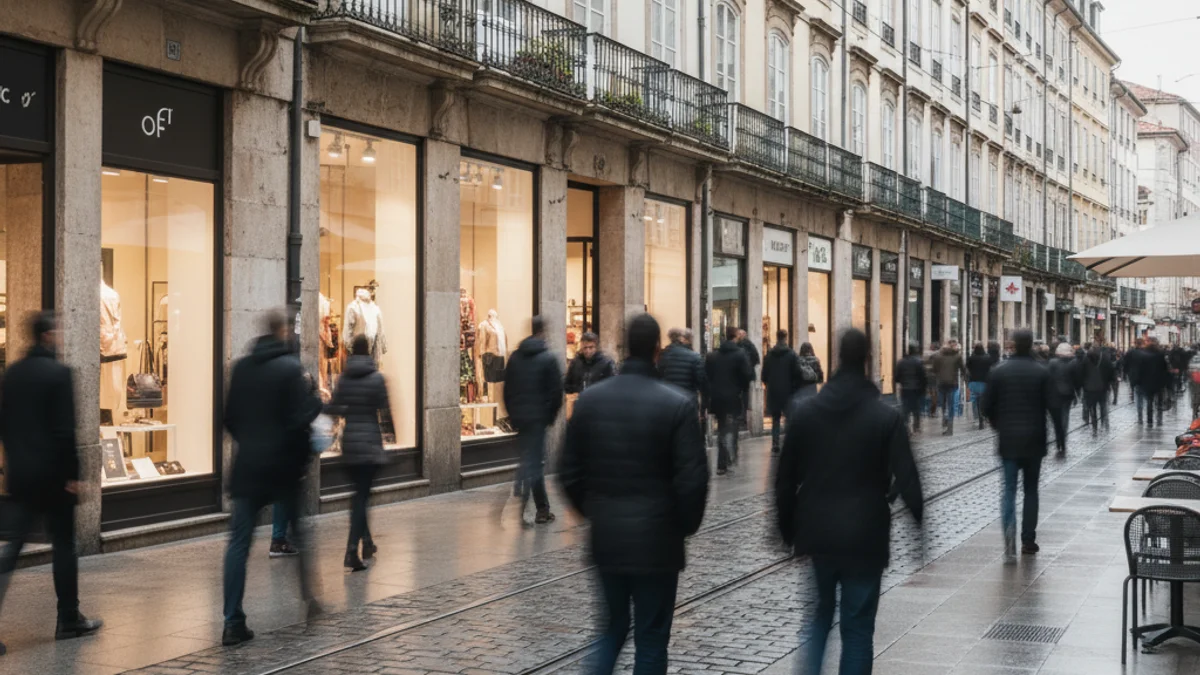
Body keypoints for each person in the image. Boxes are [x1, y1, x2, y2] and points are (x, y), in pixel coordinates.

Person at [560, 313, 709, 675]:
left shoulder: (591, 401)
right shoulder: (678, 404)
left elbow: (568, 471)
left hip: (608, 538)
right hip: (659, 541)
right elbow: (693, 480)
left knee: (612, 628)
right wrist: (682, 527)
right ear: (657, 350)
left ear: (625, 347)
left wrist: (594, 511)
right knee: (652, 637)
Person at [775, 329, 924, 675]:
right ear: (867, 359)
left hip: (818, 532)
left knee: (819, 618)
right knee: (857, 628)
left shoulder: (807, 412)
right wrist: (919, 528)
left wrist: (786, 530)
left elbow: (784, 479)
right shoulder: (885, 416)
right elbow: (908, 475)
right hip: (866, 534)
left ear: (837, 357)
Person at [0, 312, 102, 654]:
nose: (61, 335)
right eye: (57, 330)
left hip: (21, 475)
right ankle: (68, 619)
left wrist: (14, 461)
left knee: (12, 549)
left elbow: (4, 425)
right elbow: (64, 433)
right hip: (54, 477)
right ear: (47, 335)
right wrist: (73, 476)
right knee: (64, 546)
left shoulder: (12, 374)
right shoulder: (59, 374)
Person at [222, 310, 323, 646]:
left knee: (238, 544)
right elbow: (300, 418)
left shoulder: (241, 368)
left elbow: (229, 418)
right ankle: (310, 601)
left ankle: (232, 621)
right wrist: (314, 404)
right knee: (299, 534)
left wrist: (251, 442)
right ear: (283, 332)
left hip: (248, 466)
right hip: (283, 468)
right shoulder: (291, 368)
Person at [981, 330, 1059, 557]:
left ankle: (1009, 534)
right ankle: (1028, 539)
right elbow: (1054, 408)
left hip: (1008, 441)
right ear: (1031, 344)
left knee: (1009, 490)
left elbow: (985, 407)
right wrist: (1061, 441)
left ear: (1014, 345)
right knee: (1031, 491)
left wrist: (997, 423)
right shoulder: (1042, 371)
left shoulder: (998, 371)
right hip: (1035, 440)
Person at [324, 334, 390, 571]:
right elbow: (385, 411)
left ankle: (368, 542)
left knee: (360, 496)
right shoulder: (377, 378)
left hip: (350, 443)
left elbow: (335, 408)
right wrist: (390, 436)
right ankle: (352, 550)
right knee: (361, 498)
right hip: (370, 444)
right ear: (369, 350)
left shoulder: (344, 378)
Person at [503, 316, 564, 525]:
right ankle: (540, 509)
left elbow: (507, 390)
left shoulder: (515, 357)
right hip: (538, 419)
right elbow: (556, 392)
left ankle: (523, 490)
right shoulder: (548, 358)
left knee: (527, 460)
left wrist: (513, 415)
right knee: (535, 464)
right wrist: (549, 417)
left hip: (520, 418)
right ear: (543, 332)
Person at [706, 326, 753, 475]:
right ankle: (729, 456)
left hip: (717, 397)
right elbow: (748, 375)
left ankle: (722, 463)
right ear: (736, 336)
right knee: (731, 427)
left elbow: (707, 377)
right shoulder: (740, 354)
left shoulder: (713, 356)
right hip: (733, 397)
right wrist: (742, 389)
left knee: (722, 427)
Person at [762, 329, 804, 453]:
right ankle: (788, 442)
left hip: (773, 391)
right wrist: (795, 387)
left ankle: (775, 443)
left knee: (775, 419)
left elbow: (764, 375)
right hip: (788, 391)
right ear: (786, 338)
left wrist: (769, 384)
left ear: (777, 337)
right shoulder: (792, 355)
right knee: (789, 417)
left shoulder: (769, 355)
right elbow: (798, 373)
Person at [657, 327, 707, 404]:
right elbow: (702, 381)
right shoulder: (694, 356)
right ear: (682, 339)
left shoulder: (662, 355)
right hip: (688, 400)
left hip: (666, 400)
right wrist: (705, 403)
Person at [1047, 342, 1079, 457]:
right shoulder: (1073, 363)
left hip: (1054, 395)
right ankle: (1063, 437)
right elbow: (1076, 380)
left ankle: (1059, 440)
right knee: (1065, 416)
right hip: (1068, 394)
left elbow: (1048, 378)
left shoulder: (1052, 363)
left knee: (1056, 420)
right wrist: (1076, 393)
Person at [932, 340, 967, 435]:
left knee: (943, 404)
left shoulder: (938, 356)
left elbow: (934, 370)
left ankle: (945, 419)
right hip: (952, 384)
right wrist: (965, 380)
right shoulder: (957, 356)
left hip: (941, 383)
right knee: (951, 405)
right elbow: (963, 369)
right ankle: (950, 428)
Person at [1136, 338, 1171, 427]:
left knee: (1149, 401)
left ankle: (1149, 420)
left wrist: (1139, 380)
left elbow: (1140, 369)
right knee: (1159, 401)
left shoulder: (1144, 355)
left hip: (1147, 382)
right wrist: (1166, 382)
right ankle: (1159, 419)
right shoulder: (1160, 355)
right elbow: (1165, 369)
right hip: (1159, 382)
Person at [895, 343, 928, 432]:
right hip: (917, 389)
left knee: (906, 409)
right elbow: (923, 377)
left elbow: (896, 378)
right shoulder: (918, 362)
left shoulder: (901, 362)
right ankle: (916, 426)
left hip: (905, 389)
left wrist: (903, 381)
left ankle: (906, 426)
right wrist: (923, 389)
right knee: (916, 408)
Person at [1080, 346, 1114, 434]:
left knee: (1093, 408)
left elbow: (1081, 373)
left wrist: (1084, 385)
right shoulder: (1105, 359)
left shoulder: (1085, 359)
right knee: (1103, 406)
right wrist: (1109, 382)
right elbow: (1111, 371)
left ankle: (1094, 426)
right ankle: (1104, 423)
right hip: (1102, 387)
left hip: (1089, 389)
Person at [966, 343, 993, 430]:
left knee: (974, 400)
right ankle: (983, 416)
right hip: (984, 381)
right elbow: (991, 369)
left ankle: (976, 417)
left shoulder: (971, 358)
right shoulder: (988, 357)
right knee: (983, 400)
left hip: (973, 381)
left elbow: (968, 368)